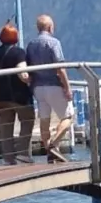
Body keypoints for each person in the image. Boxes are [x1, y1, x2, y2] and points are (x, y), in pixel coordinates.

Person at [26, 14, 72, 163]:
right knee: (68, 118)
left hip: (38, 87)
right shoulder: (54, 43)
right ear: (50, 27)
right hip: (54, 85)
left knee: (44, 120)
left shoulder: (31, 44)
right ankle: (53, 144)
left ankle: (50, 152)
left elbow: (29, 68)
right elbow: (60, 67)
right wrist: (67, 86)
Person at [0, 24, 32, 164]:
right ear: (15, 37)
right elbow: (22, 73)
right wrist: (30, 80)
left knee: (6, 126)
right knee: (28, 120)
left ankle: (8, 158)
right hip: (18, 95)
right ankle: (23, 153)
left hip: (0, 96)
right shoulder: (18, 52)